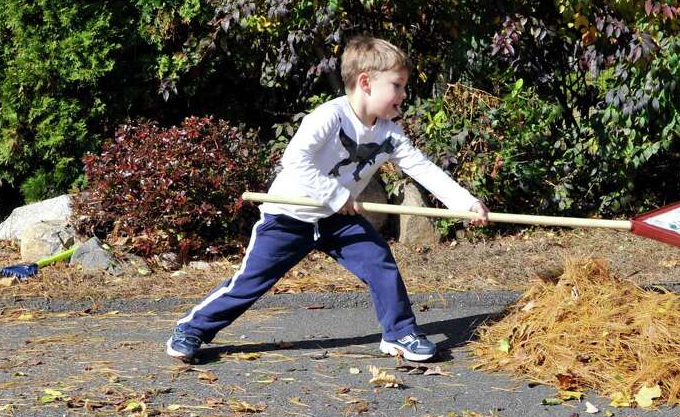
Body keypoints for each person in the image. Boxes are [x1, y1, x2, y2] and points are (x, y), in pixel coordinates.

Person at [166, 35, 489, 363]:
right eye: (397, 85)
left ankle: (399, 334)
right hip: (289, 215)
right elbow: (295, 160)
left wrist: (466, 203)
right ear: (366, 83)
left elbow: (423, 169)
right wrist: (335, 195)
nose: (403, 95)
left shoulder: (389, 133)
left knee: (380, 262)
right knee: (250, 282)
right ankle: (192, 328)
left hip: (337, 220)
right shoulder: (329, 116)